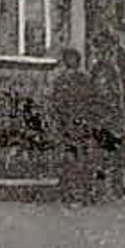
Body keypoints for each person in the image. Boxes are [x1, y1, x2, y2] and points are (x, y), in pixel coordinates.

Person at [89, 29, 125, 199]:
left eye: (100, 48)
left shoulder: (118, 65)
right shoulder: (99, 67)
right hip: (103, 115)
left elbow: (123, 90)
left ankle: (114, 186)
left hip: (111, 114)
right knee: (103, 152)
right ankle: (103, 187)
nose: (98, 52)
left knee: (112, 151)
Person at [50, 47, 102, 202]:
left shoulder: (82, 79)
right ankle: (70, 189)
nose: (70, 62)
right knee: (70, 156)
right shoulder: (63, 79)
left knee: (81, 156)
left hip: (79, 122)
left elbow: (91, 99)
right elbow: (57, 101)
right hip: (69, 122)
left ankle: (82, 189)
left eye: (72, 59)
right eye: (68, 58)